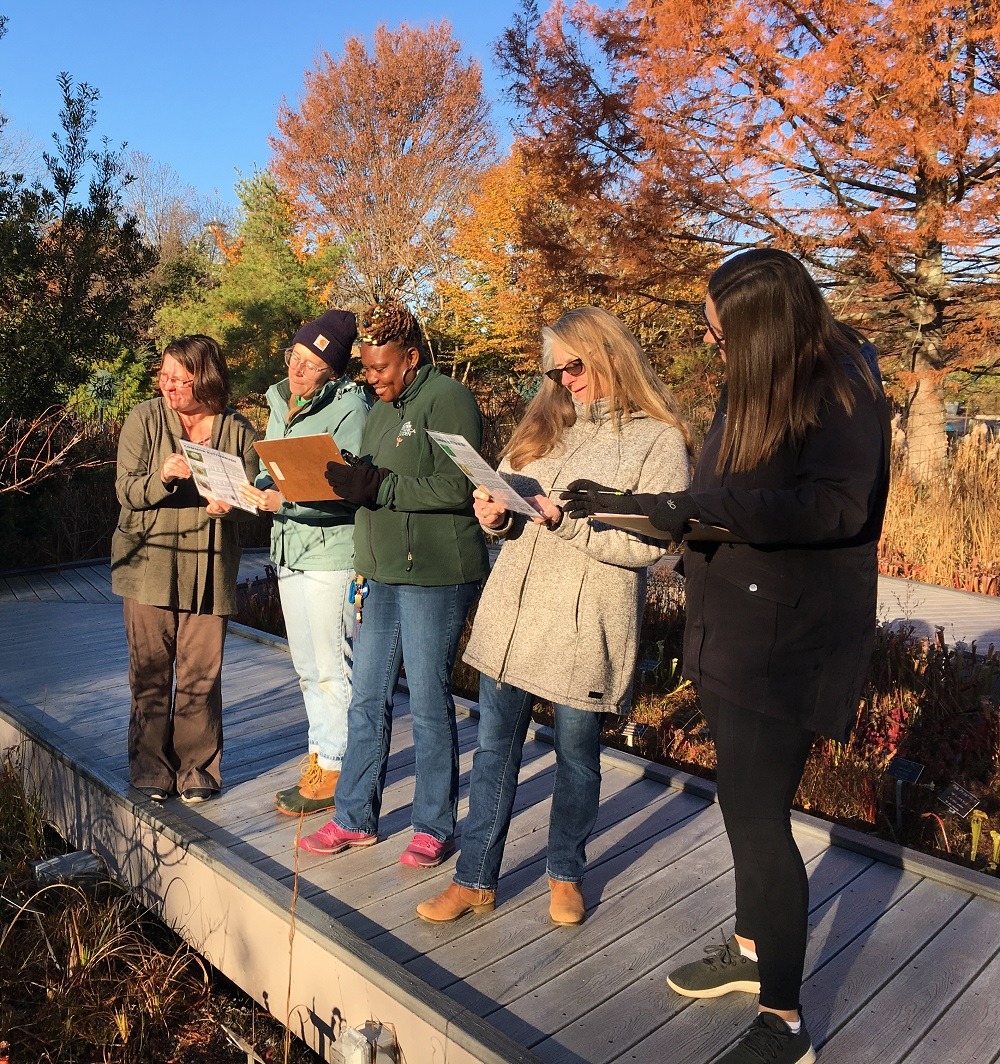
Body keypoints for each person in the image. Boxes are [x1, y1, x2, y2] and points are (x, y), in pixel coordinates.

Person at [562, 249, 890, 1064]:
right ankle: (750, 949)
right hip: (729, 624)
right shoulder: (757, 377)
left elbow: (837, 507)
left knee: (757, 817)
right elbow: (719, 495)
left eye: (720, 332)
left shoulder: (842, 385)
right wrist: (643, 510)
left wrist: (705, 509)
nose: (712, 345)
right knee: (741, 806)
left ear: (764, 325)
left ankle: (785, 1021)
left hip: (788, 639)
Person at [416, 306, 693, 927]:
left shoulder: (657, 440)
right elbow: (507, 516)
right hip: (513, 621)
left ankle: (566, 873)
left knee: (577, 759)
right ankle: (474, 878)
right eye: (556, 371)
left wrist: (565, 523)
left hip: (585, 627)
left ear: (611, 355)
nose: (566, 380)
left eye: (576, 366)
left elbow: (650, 545)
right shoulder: (540, 430)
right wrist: (494, 517)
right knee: (493, 753)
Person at [296, 302, 489, 867]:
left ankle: (433, 825)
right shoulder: (380, 409)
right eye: (366, 367)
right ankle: (354, 817)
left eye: (382, 368)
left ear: (411, 357)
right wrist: (347, 476)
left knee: (428, 700)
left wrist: (378, 485)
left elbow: (458, 487)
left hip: (435, 574)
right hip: (380, 574)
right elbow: (374, 477)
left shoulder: (449, 399)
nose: (372, 378)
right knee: (367, 698)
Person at [112, 335, 260, 804]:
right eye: (164, 375)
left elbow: (253, 500)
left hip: (210, 566)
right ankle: (151, 769)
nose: (168, 385)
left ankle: (197, 770)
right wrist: (162, 477)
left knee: (201, 675)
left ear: (207, 379)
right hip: (148, 565)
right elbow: (125, 490)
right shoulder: (145, 418)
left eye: (180, 378)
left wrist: (230, 508)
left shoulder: (239, 430)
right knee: (150, 672)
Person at [237, 310, 371, 816]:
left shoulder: (349, 409)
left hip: (332, 555)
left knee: (334, 667)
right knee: (307, 668)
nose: (298, 369)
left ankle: (337, 767)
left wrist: (286, 503)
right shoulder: (279, 401)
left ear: (332, 372)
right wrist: (255, 490)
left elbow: (349, 490)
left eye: (313, 364)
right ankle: (322, 755)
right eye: (295, 356)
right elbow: (275, 472)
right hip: (289, 550)